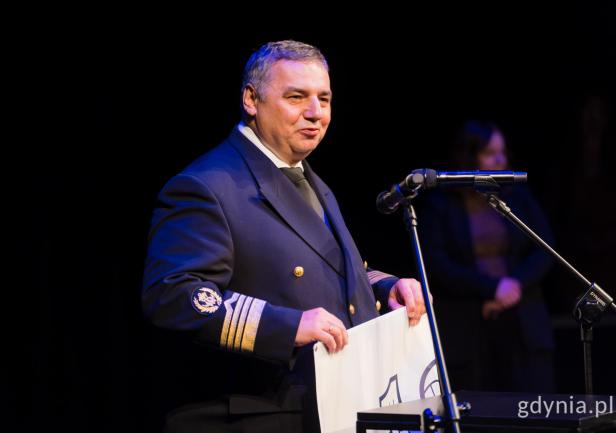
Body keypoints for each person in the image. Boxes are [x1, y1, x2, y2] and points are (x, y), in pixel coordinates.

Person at [142, 40, 426, 433]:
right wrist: (287, 326)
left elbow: (328, 268)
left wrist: (385, 287)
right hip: (257, 414)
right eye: (296, 97)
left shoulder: (309, 180)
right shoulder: (206, 185)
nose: (315, 113)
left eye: (324, 99)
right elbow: (173, 295)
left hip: (331, 406)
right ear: (251, 99)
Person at [417, 120, 555, 393]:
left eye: (503, 152)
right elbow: (437, 264)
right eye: (491, 153)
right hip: (468, 322)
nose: (500, 160)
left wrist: (513, 285)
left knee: (531, 398)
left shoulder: (517, 196)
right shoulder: (442, 203)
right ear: (470, 156)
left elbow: (544, 247)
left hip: (522, 318)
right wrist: (491, 288)